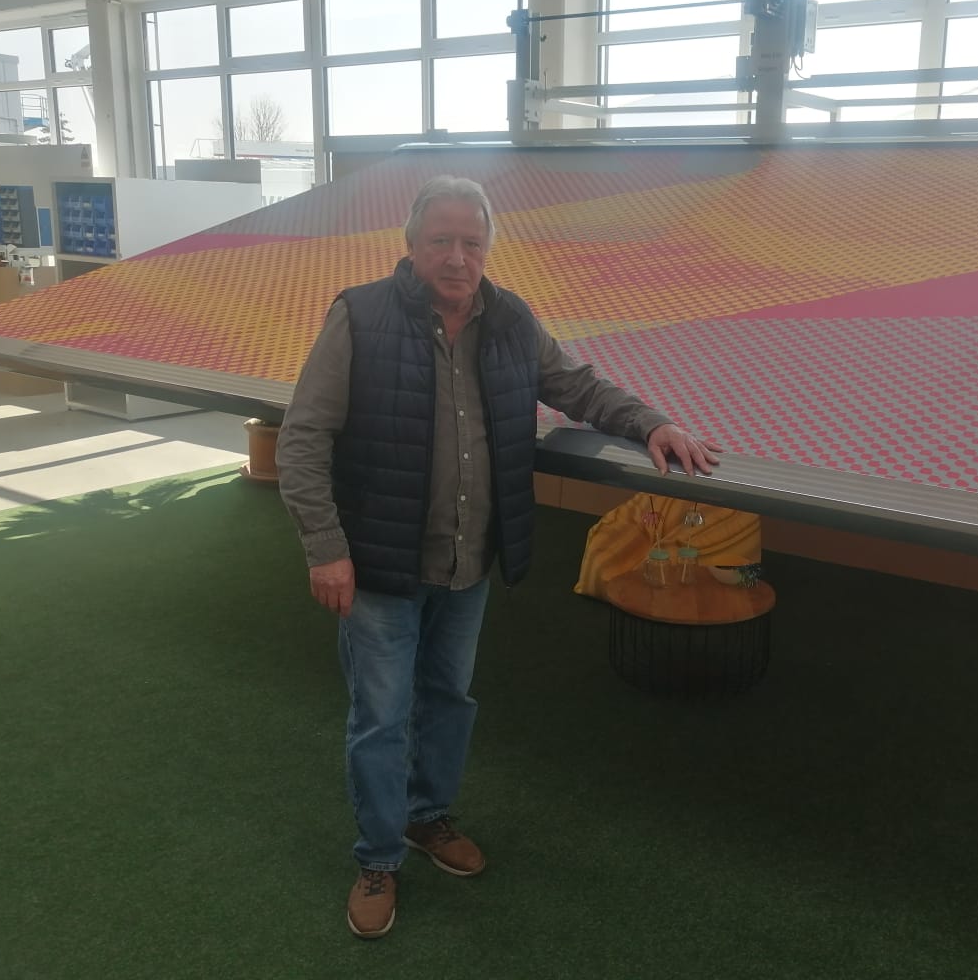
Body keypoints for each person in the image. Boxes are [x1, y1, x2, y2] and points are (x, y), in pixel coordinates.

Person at [276, 174, 721, 939]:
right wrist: (325, 549)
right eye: (441, 241)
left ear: (486, 248)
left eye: (471, 242)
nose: (457, 257)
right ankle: (378, 859)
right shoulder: (360, 316)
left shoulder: (511, 319)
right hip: (380, 565)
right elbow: (304, 437)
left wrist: (650, 424)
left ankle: (427, 816)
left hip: (468, 562)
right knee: (381, 717)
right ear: (411, 246)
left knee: (449, 699)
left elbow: (576, 386)